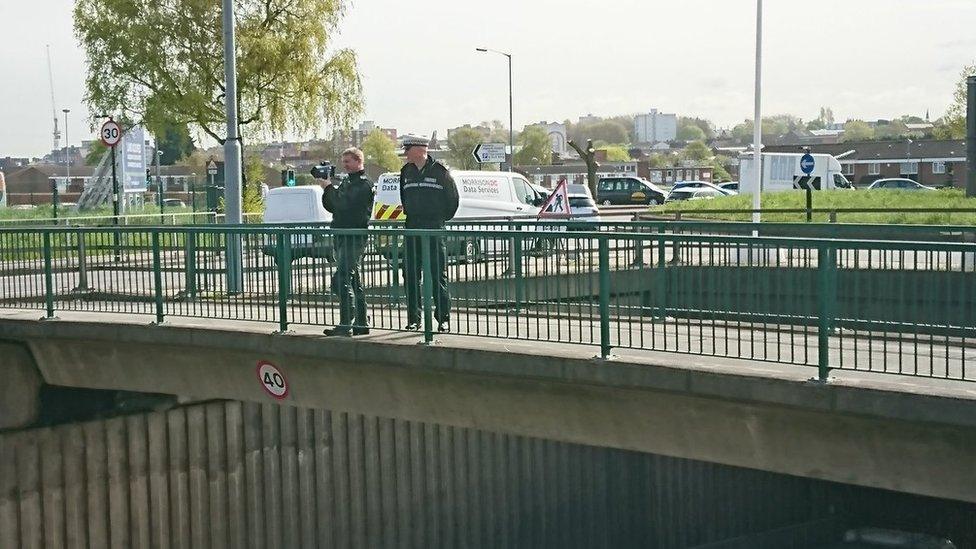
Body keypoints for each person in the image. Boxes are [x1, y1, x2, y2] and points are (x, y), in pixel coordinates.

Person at [398, 135, 459, 332]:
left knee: (438, 275)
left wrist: (439, 220)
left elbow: (452, 200)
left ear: (420, 149)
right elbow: (404, 197)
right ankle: (414, 319)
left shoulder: (441, 172)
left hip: (434, 228)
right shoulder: (406, 172)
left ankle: (443, 319)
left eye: (408, 149)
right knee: (411, 275)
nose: (405, 153)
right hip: (412, 228)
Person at [319, 147, 375, 337]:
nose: (345, 165)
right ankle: (360, 322)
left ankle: (346, 322)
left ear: (358, 161)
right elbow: (332, 206)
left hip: (354, 236)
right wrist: (328, 189)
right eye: (343, 162)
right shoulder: (347, 182)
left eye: (348, 162)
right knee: (353, 280)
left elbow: (342, 205)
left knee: (341, 278)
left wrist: (328, 188)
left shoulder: (363, 184)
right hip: (342, 235)